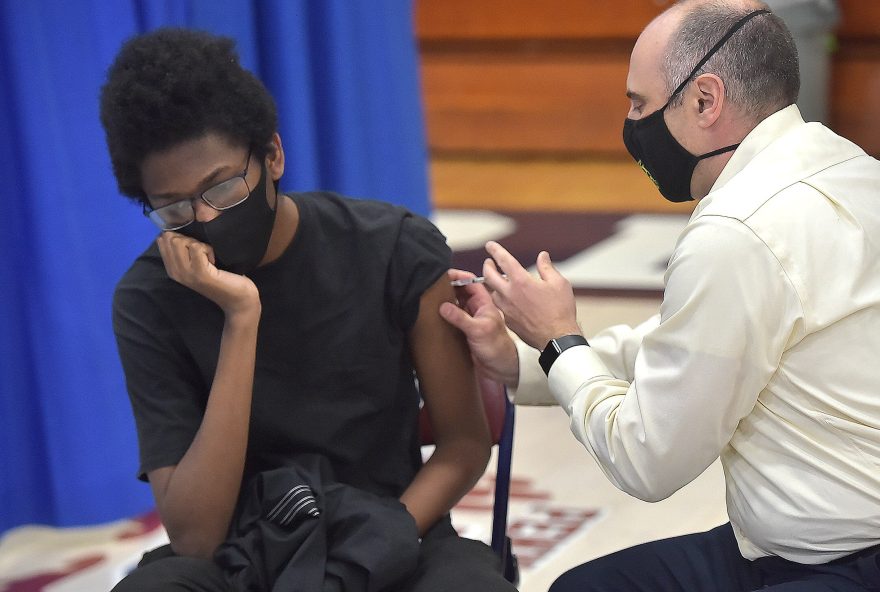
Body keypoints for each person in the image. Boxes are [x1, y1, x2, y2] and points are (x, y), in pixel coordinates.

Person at [440, 0, 880, 590]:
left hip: (839, 562)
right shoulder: (848, 165)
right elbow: (699, 343)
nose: (631, 124)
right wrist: (526, 361)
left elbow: (647, 461)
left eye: (639, 104)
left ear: (705, 99)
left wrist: (558, 340)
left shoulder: (737, 230)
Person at [100, 28, 516, 592]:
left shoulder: (391, 246)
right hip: (240, 556)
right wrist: (240, 320)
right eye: (174, 209)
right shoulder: (148, 299)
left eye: (222, 189)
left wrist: (359, 558)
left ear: (272, 155)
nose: (206, 218)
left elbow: (464, 443)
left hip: (389, 529)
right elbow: (196, 537)